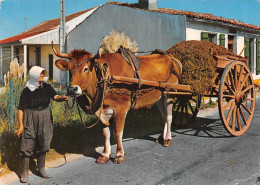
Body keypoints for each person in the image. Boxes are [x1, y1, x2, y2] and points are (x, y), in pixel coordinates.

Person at [16, 66, 68, 183]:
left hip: (45, 116)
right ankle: (24, 173)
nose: (42, 76)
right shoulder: (27, 90)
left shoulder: (47, 87)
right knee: (27, 143)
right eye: (40, 74)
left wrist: (62, 98)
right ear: (34, 75)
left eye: (43, 74)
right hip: (30, 117)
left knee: (44, 141)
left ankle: (41, 169)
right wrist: (20, 125)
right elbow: (20, 109)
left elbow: (55, 97)